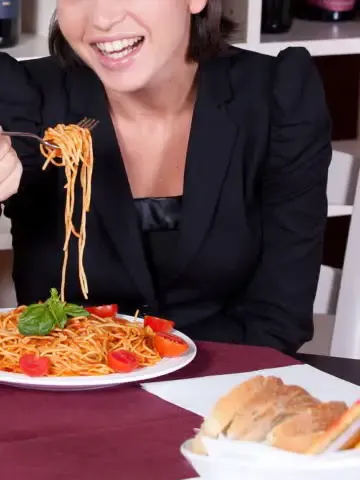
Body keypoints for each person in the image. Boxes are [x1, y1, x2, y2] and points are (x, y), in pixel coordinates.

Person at [0, 0, 331, 353]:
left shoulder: (277, 96)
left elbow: (280, 320)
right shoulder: (25, 98)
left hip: (222, 386)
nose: (102, 18)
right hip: (63, 384)